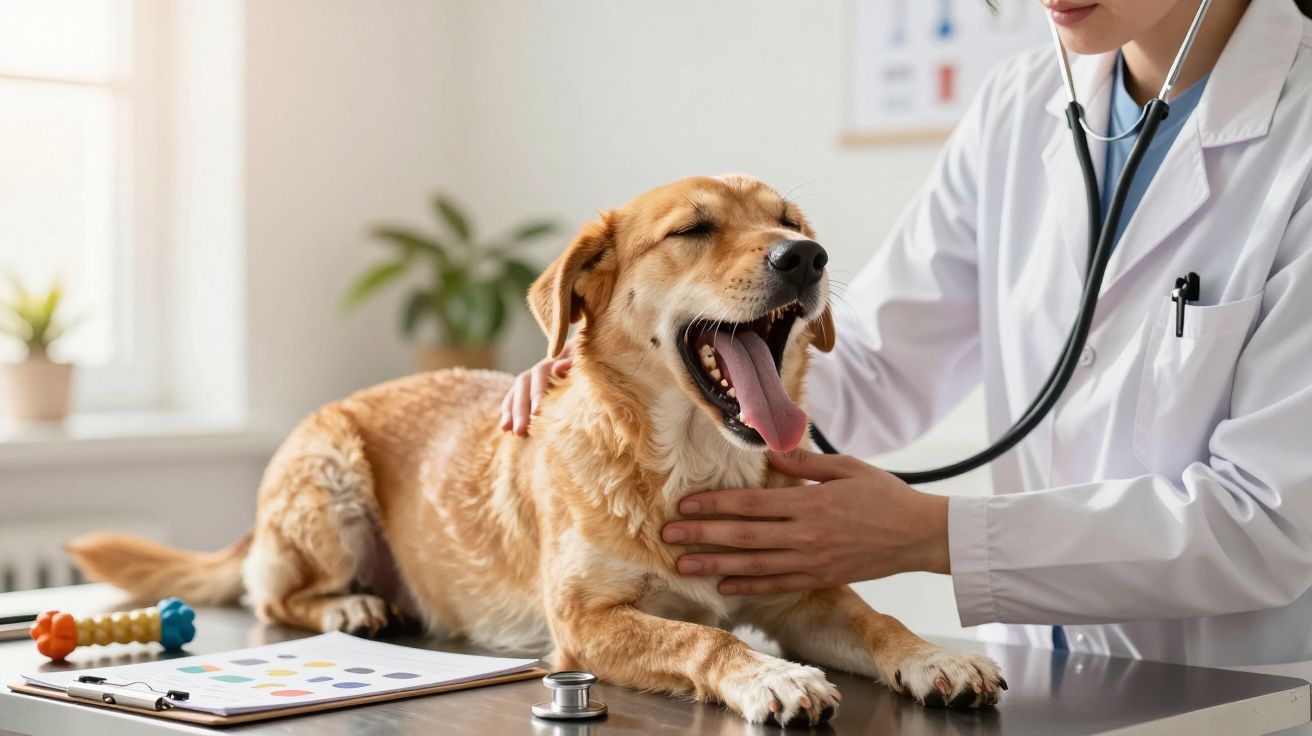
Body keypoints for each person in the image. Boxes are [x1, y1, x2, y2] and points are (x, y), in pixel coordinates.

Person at [502, 0, 1312, 683]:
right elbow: (872, 367)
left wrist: (933, 535)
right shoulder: (1020, 104)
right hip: (1043, 679)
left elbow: (1271, 522)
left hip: (1245, 687)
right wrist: (621, 376)